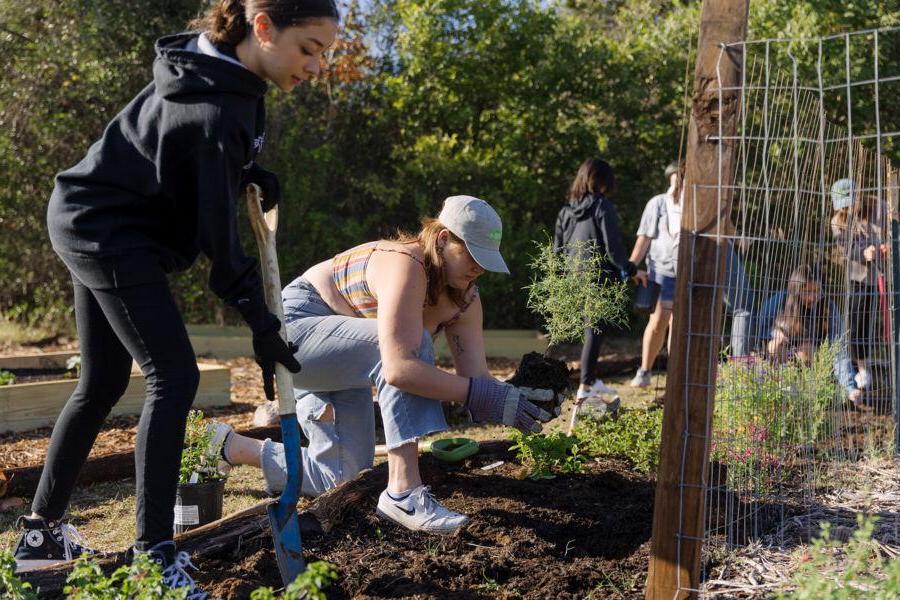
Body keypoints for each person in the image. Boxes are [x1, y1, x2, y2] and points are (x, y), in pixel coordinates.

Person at [12, 1, 340, 596]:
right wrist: (260, 322)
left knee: (103, 383)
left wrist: (244, 171)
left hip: (92, 216)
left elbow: (190, 161)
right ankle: (153, 560)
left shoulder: (226, 74)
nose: (317, 66)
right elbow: (221, 244)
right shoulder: (215, 104)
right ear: (262, 27)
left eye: (325, 52)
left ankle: (40, 537)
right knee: (174, 376)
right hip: (107, 231)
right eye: (310, 49)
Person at [213, 195, 556, 536]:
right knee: (406, 347)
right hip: (295, 329)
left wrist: (514, 397)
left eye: (485, 259)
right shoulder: (406, 263)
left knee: (341, 476)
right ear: (442, 238)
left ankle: (229, 446)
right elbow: (398, 368)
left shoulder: (466, 298)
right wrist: (480, 394)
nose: (478, 267)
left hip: (345, 355)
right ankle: (404, 492)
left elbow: (475, 381)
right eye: (470, 253)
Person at [552, 158, 637, 411]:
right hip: (598, 277)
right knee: (594, 331)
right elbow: (613, 248)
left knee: (588, 331)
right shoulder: (602, 207)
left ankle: (586, 383)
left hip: (573, 278)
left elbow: (558, 250)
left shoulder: (566, 211)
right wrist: (629, 269)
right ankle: (587, 385)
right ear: (603, 181)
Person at [757, 264, 860, 402]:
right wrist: (774, 333)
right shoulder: (779, 301)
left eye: (817, 291)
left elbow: (838, 349)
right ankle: (781, 387)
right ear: (796, 290)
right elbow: (759, 331)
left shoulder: (828, 308)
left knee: (806, 350)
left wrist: (850, 387)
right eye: (807, 292)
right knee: (775, 345)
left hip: (812, 360)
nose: (813, 297)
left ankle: (807, 395)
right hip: (781, 359)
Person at [629, 161, 684, 388]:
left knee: (678, 324)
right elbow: (645, 237)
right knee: (658, 320)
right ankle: (645, 370)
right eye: (677, 177)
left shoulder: (694, 205)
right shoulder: (658, 203)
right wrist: (632, 264)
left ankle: (675, 375)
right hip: (661, 270)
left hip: (687, 272)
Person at [830, 179, 887, 391]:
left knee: (871, 323)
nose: (848, 207)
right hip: (857, 277)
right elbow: (847, 251)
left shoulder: (878, 207)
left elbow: (890, 230)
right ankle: (858, 369)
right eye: (844, 204)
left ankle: (865, 366)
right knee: (855, 323)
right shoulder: (838, 221)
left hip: (881, 274)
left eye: (852, 200)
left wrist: (886, 246)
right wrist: (863, 253)